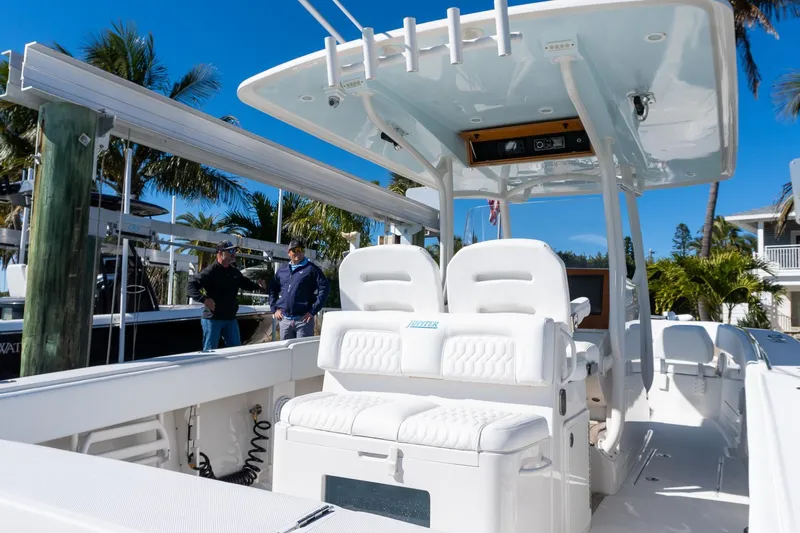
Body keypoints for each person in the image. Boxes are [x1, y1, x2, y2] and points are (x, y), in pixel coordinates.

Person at [187, 240, 267, 352]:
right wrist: (204, 300)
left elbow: (245, 283)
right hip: (213, 319)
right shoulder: (210, 271)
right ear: (220, 253)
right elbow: (191, 286)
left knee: (236, 351)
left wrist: (259, 287)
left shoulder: (234, 272)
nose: (234, 254)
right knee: (209, 353)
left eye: (234, 250)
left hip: (230, 318)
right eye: (230, 251)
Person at [269, 239, 330, 339]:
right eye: (295, 250)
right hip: (285, 320)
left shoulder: (311, 269)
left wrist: (313, 310)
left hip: (303, 321)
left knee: (302, 352)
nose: (298, 252)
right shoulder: (282, 270)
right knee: (286, 352)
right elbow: (272, 288)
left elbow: (325, 287)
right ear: (289, 253)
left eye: (301, 249)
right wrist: (274, 309)